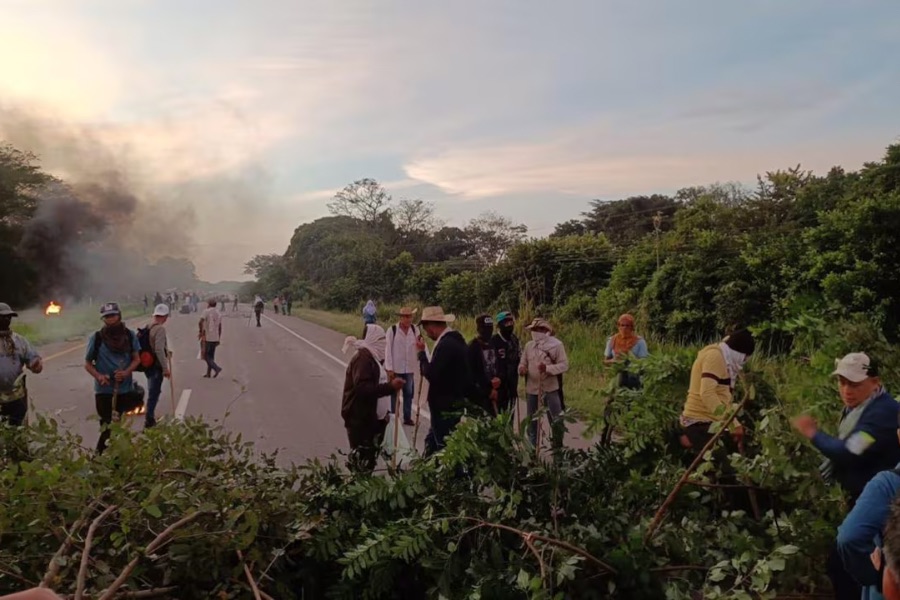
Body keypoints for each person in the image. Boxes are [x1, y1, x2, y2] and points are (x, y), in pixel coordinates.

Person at [793, 353, 900, 600]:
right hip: (868, 497)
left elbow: (850, 451)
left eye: (854, 384)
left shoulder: (882, 414)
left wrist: (813, 433)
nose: (846, 390)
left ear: (875, 382)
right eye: (842, 382)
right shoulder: (860, 409)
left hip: (883, 504)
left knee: (846, 563)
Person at [341, 324, 405, 473]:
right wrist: (390, 387)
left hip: (370, 420)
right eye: (381, 340)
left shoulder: (372, 358)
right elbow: (363, 389)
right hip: (360, 420)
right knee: (362, 463)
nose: (384, 344)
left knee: (368, 460)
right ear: (373, 340)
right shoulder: (363, 359)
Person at [84, 302, 143, 454]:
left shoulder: (129, 336)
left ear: (119, 316)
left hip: (124, 390)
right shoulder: (97, 338)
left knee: (118, 425)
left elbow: (137, 359)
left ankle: (114, 458)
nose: (110, 319)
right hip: (103, 391)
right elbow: (88, 364)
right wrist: (99, 376)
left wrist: (126, 372)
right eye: (107, 317)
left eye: (113, 315)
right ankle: (99, 458)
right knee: (107, 426)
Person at [416, 306, 469, 455]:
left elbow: (431, 373)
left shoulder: (446, 345)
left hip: (444, 407)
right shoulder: (456, 341)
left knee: (443, 448)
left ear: (431, 326)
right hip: (453, 402)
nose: (427, 333)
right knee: (432, 444)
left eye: (426, 329)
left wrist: (421, 354)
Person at [519, 318, 569, 448]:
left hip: (550, 388)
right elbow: (523, 362)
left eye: (538, 329)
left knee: (556, 419)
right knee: (532, 420)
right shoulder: (529, 346)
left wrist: (547, 369)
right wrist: (522, 369)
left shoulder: (557, 345)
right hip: (532, 388)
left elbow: (564, 365)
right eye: (533, 329)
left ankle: (558, 448)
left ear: (545, 330)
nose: (535, 332)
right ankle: (532, 449)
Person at [0, 302, 43, 427]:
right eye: (2, 317)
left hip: (17, 398)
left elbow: (34, 362)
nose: (6, 320)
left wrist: (36, 365)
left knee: (19, 432)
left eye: (9, 317)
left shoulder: (19, 341)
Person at [384, 307, 420, 426]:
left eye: (410, 317)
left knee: (409, 393)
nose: (408, 319)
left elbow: (419, 347)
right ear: (401, 318)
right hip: (396, 368)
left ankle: (407, 417)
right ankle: (394, 417)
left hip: (409, 368)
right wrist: (389, 368)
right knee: (394, 394)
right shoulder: (392, 330)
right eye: (406, 317)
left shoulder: (415, 330)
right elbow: (388, 349)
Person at [143, 303, 171, 428]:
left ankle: (150, 417)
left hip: (148, 363)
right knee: (154, 392)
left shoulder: (149, 326)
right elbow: (158, 349)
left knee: (152, 390)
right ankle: (149, 419)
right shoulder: (160, 329)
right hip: (155, 364)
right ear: (165, 316)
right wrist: (165, 368)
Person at [604, 313, 649, 389]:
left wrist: (632, 361)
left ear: (632, 327)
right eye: (622, 325)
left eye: (627, 325)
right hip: (617, 375)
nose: (624, 328)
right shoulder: (612, 340)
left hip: (634, 376)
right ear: (618, 326)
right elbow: (605, 361)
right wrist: (613, 361)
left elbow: (644, 363)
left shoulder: (639, 342)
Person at [468, 314, 501, 416]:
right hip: (479, 397)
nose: (488, 331)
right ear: (478, 329)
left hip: (496, 392)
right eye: (485, 329)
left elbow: (498, 364)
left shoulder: (494, 344)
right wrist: (488, 391)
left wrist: (498, 379)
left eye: (490, 328)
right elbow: (472, 375)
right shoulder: (472, 347)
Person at [491, 311, 521, 416]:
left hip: (512, 385)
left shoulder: (514, 340)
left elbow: (518, 358)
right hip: (499, 387)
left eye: (511, 322)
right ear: (499, 325)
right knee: (499, 417)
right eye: (506, 322)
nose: (509, 325)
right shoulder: (493, 341)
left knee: (511, 415)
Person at [199, 299, 223, 378]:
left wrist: (200, 332)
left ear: (209, 304)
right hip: (215, 337)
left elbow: (200, 322)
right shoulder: (218, 313)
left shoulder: (206, 311)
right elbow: (220, 327)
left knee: (205, 355)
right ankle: (208, 373)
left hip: (207, 336)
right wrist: (219, 338)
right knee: (211, 356)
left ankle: (216, 368)